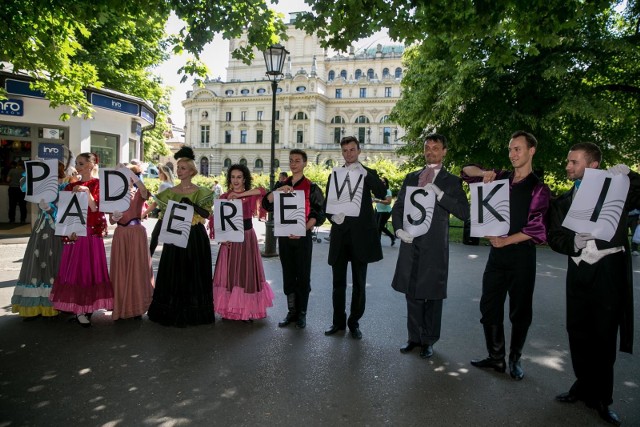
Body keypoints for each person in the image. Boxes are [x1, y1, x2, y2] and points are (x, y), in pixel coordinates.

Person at [547, 142, 639, 426]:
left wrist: (630, 176)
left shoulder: (619, 192)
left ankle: (602, 398)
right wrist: (571, 243)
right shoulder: (562, 201)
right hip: (578, 273)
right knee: (577, 331)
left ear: (594, 165)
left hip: (608, 273)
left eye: (573, 162)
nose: (567, 167)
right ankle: (582, 385)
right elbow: (554, 236)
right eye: (568, 162)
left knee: (604, 334)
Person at [461, 130, 550, 380]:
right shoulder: (499, 178)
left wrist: (505, 240)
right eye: (510, 149)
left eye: (517, 149)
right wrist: (482, 174)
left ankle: (515, 359)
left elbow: (537, 228)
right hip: (497, 258)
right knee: (489, 306)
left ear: (531, 151)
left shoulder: (539, 188)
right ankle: (496, 357)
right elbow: (466, 170)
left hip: (521, 257)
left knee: (520, 312)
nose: (512, 154)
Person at [392, 134, 469, 358]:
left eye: (436, 148)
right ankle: (414, 338)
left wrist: (441, 195)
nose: (431, 151)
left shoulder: (452, 181)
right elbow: (398, 209)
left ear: (444, 151)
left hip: (435, 247)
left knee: (433, 296)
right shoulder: (411, 177)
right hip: (410, 243)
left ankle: (429, 340)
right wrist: (398, 230)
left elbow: (464, 213)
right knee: (412, 293)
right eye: (427, 147)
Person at [324, 136, 386, 339]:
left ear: (359, 151)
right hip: (340, 237)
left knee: (359, 284)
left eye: (352, 150)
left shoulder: (368, 173)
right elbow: (328, 206)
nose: (349, 153)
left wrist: (365, 174)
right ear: (341, 152)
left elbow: (382, 191)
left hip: (361, 237)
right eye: (345, 150)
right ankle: (338, 322)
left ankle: (354, 322)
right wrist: (334, 217)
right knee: (338, 284)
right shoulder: (334, 175)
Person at [147, 146, 214, 327]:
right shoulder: (169, 193)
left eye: (183, 168)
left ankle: (194, 311)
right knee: (174, 272)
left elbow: (207, 215)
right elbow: (162, 217)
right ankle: (171, 310)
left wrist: (191, 204)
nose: (179, 170)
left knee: (193, 272)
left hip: (195, 237)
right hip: (175, 235)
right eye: (178, 167)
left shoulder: (202, 192)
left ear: (192, 171)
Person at [262, 149, 326, 329]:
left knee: (303, 276)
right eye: (291, 160)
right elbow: (266, 204)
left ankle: (302, 314)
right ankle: (291, 311)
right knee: (288, 274)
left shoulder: (312, 187)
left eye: (297, 160)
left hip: (302, 237)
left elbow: (319, 214)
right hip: (284, 238)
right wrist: (278, 191)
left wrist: (303, 229)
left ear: (305, 163)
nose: (293, 163)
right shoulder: (282, 184)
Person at [50, 153, 113, 327]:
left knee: (90, 270)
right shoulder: (71, 186)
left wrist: (88, 194)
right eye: (77, 163)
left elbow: (97, 209)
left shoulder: (98, 184)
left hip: (91, 232)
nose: (78, 166)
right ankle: (79, 309)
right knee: (78, 270)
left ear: (91, 165)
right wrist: (67, 230)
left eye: (81, 163)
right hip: (76, 233)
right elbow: (64, 212)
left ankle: (87, 306)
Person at [212, 164, 274, 321]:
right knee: (230, 275)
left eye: (239, 177)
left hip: (247, 238)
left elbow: (262, 191)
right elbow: (217, 221)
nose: (235, 180)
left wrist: (239, 196)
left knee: (246, 274)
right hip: (230, 240)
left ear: (245, 178)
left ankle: (246, 310)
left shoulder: (249, 195)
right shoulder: (224, 197)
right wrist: (223, 239)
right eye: (232, 177)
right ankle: (228, 310)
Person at [11, 162, 69, 319]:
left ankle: (53, 303)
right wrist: (32, 171)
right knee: (37, 262)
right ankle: (37, 304)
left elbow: (65, 210)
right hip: (41, 229)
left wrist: (50, 209)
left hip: (55, 229)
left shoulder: (64, 187)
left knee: (53, 263)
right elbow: (23, 186)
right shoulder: (41, 186)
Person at [108, 164, 154, 320]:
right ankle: (121, 306)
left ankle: (137, 306)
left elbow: (145, 190)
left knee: (136, 270)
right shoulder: (113, 195)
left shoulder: (138, 192)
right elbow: (111, 221)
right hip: (121, 234)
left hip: (136, 234)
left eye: (126, 176)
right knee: (121, 269)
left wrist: (130, 173)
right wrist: (113, 218)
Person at [143, 164, 175, 254]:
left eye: (159, 172)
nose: (158, 174)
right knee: (166, 239)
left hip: (164, 215)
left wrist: (144, 213)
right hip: (171, 215)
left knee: (155, 236)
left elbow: (155, 203)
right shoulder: (171, 184)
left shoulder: (164, 185)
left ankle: (148, 258)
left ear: (163, 173)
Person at [373, 177, 396, 246]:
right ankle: (392, 237)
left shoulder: (388, 191)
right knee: (377, 226)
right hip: (378, 210)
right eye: (381, 182)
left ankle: (378, 243)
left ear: (386, 183)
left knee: (379, 226)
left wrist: (379, 201)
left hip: (385, 212)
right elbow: (375, 199)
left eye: (384, 182)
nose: (382, 183)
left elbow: (388, 202)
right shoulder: (378, 190)